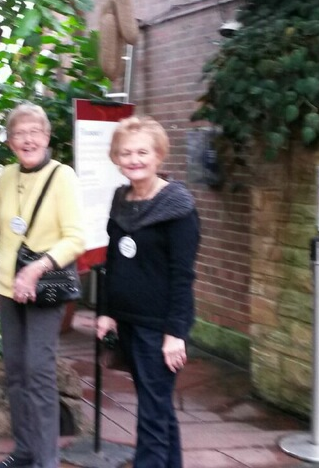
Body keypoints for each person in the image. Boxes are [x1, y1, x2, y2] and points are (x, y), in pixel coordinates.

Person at [96, 116, 200, 468]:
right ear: (116, 158)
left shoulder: (178, 208)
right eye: (125, 153)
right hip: (128, 320)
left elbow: (183, 276)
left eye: (142, 152)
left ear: (158, 156)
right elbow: (113, 259)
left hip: (158, 327)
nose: (134, 159)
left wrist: (176, 333)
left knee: (152, 416)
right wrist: (106, 311)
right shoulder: (121, 200)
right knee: (158, 407)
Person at [0, 103, 85, 468]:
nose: (27, 139)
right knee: (15, 372)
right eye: (19, 133)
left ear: (47, 137)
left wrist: (35, 270)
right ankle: (25, 450)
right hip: (9, 290)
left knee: (38, 372)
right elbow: (6, 238)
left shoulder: (63, 177)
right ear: (10, 141)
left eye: (35, 132)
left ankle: (47, 460)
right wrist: (0, 286)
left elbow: (75, 239)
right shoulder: (5, 176)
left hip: (45, 287)